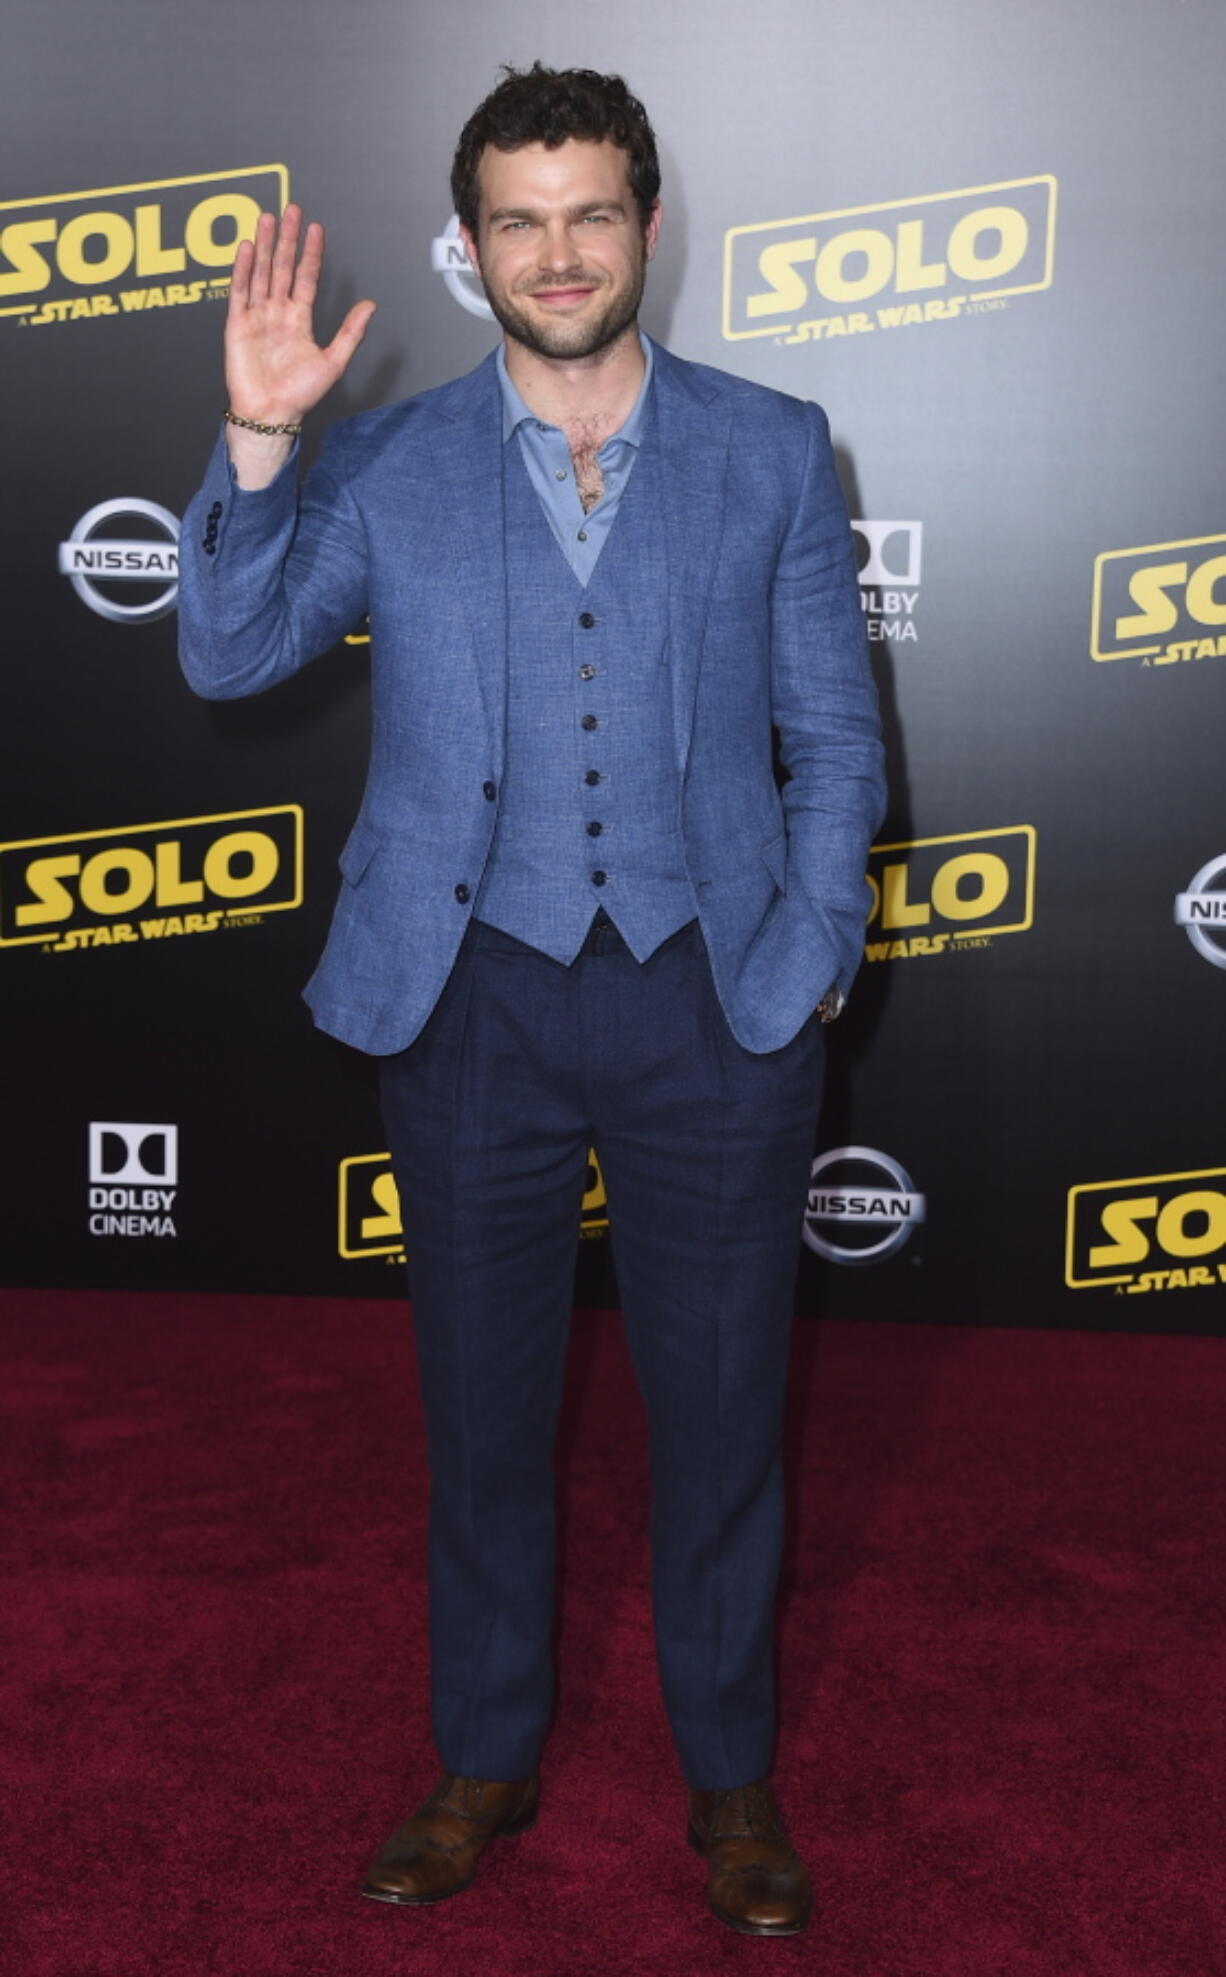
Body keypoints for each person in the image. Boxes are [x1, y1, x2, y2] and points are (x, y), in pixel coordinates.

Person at [178, 63, 885, 1939]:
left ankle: (727, 1780)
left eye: (588, 212)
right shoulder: (393, 459)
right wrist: (257, 448)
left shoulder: (771, 445)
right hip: (468, 1001)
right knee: (481, 1418)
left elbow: (831, 736)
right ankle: (483, 1759)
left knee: (722, 1416)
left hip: (704, 1004)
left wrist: (802, 957)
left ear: (647, 224)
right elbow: (232, 648)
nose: (554, 250)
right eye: (516, 216)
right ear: (471, 239)